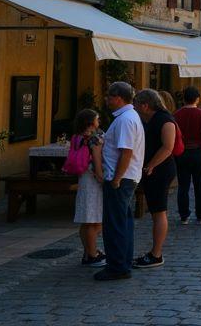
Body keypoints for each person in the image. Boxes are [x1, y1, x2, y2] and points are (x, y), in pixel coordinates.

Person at [94, 81, 144, 281]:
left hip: (121, 178)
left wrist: (116, 179)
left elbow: (126, 152)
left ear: (118, 98)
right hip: (126, 177)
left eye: (108, 96)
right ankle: (122, 261)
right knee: (123, 222)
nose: (106, 99)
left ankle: (117, 266)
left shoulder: (125, 120)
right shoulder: (128, 117)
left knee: (115, 223)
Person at [133, 89, 177, 269]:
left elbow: (168, 147)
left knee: (159, 212)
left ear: (145, 105)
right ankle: (154, 253)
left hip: (160, 171)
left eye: (136, 105)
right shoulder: (151, 119)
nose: (134, 108)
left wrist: (151, 165)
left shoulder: (165, 120)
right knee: (156, 212)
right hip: (154, 170)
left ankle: (156, 254)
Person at [174, 86, 201, 225]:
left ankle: (184, 215)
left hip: (182, 153)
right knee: (199, 185)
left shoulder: (177, 114)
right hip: (198, 153)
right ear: (197, 99)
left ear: (184, 98)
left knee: (183, 185)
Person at [72, 108, 105, 267]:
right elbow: (97, 163)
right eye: (97, 119)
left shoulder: (77, 138)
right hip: (93, 181)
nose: (99, 122)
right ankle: (92, 255)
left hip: (83, 179)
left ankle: (87, 252)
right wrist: (102, 178)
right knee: (95, 221)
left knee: (86, 221)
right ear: (91, 123)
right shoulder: (94, 139)